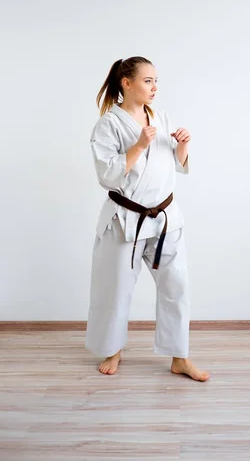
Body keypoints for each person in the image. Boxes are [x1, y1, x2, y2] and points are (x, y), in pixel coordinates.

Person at [84, 56, 209, 381]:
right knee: (116, 288)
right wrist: (139, 145)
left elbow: (177, 165)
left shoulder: (160, 117)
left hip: (166, 217)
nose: (155, 87)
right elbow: (108, 174)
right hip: (126, 218)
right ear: (127, 83)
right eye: (148, 80)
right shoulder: (108, 124)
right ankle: (113, 349)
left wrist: (182, 146)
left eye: (156, 80)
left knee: (177, 285)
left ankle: (179, 357)